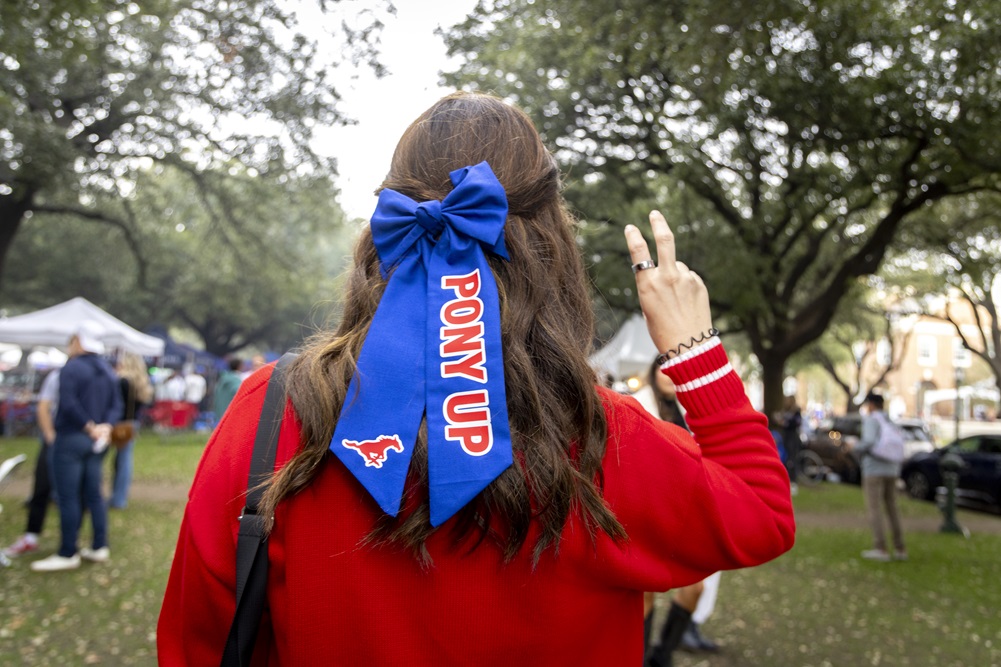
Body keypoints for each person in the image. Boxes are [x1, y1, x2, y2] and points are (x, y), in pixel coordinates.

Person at [157, 92, 795, 665]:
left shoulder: (269, 411)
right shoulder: (600, 437)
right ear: (549, 242)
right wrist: (693, 348)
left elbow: (196, 642)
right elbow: (762, 512)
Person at [634, 359, 723, 666]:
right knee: (645, 592)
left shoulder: (687, 407)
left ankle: (663, 656)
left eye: (673, 367)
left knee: (694, 588)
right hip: (647, 509)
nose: (668, 373)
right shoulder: (639, 403)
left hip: (684, 512)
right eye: (662, 367)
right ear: (653, 371)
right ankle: (642, 658)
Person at [31, 322, 122, 572]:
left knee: (68, 496)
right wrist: (104, 427)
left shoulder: (71, 368)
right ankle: (99, 545)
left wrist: (89, 426)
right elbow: (117, 404)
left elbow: (67, 403)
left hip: (73, 437)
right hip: (99, 440)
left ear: (79, 341)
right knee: (94, 493)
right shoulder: (107, 369)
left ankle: (67, 551)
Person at [2, 369, 60, 557]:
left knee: (70, 494)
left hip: (72, 442)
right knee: (43, 487)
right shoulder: (58, 376)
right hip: (60, 439)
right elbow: (44, 407)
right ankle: (32, 537)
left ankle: (69, 545)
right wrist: (50, 435)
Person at [854, 392, 907, 562]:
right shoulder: (890, 421)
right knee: (892, 508)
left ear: (870, 404)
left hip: (874, 470)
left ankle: (880, 547)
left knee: (874, 508)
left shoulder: (872, 420)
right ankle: (900, 547)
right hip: (892, 469)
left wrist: (855, 447)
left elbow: (868, 441)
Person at [110, 353, 154, 509]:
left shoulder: (123, 381)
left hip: (120, 423)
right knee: (124, 460)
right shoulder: (141, 382)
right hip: (132, 423)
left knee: (121, 461)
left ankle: (118, 498)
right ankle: (119, 496)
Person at [212, 357, 243, 422]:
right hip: (232, 412)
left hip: (221, 410)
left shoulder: (223, 378)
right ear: (239, 366)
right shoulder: (236, 380)